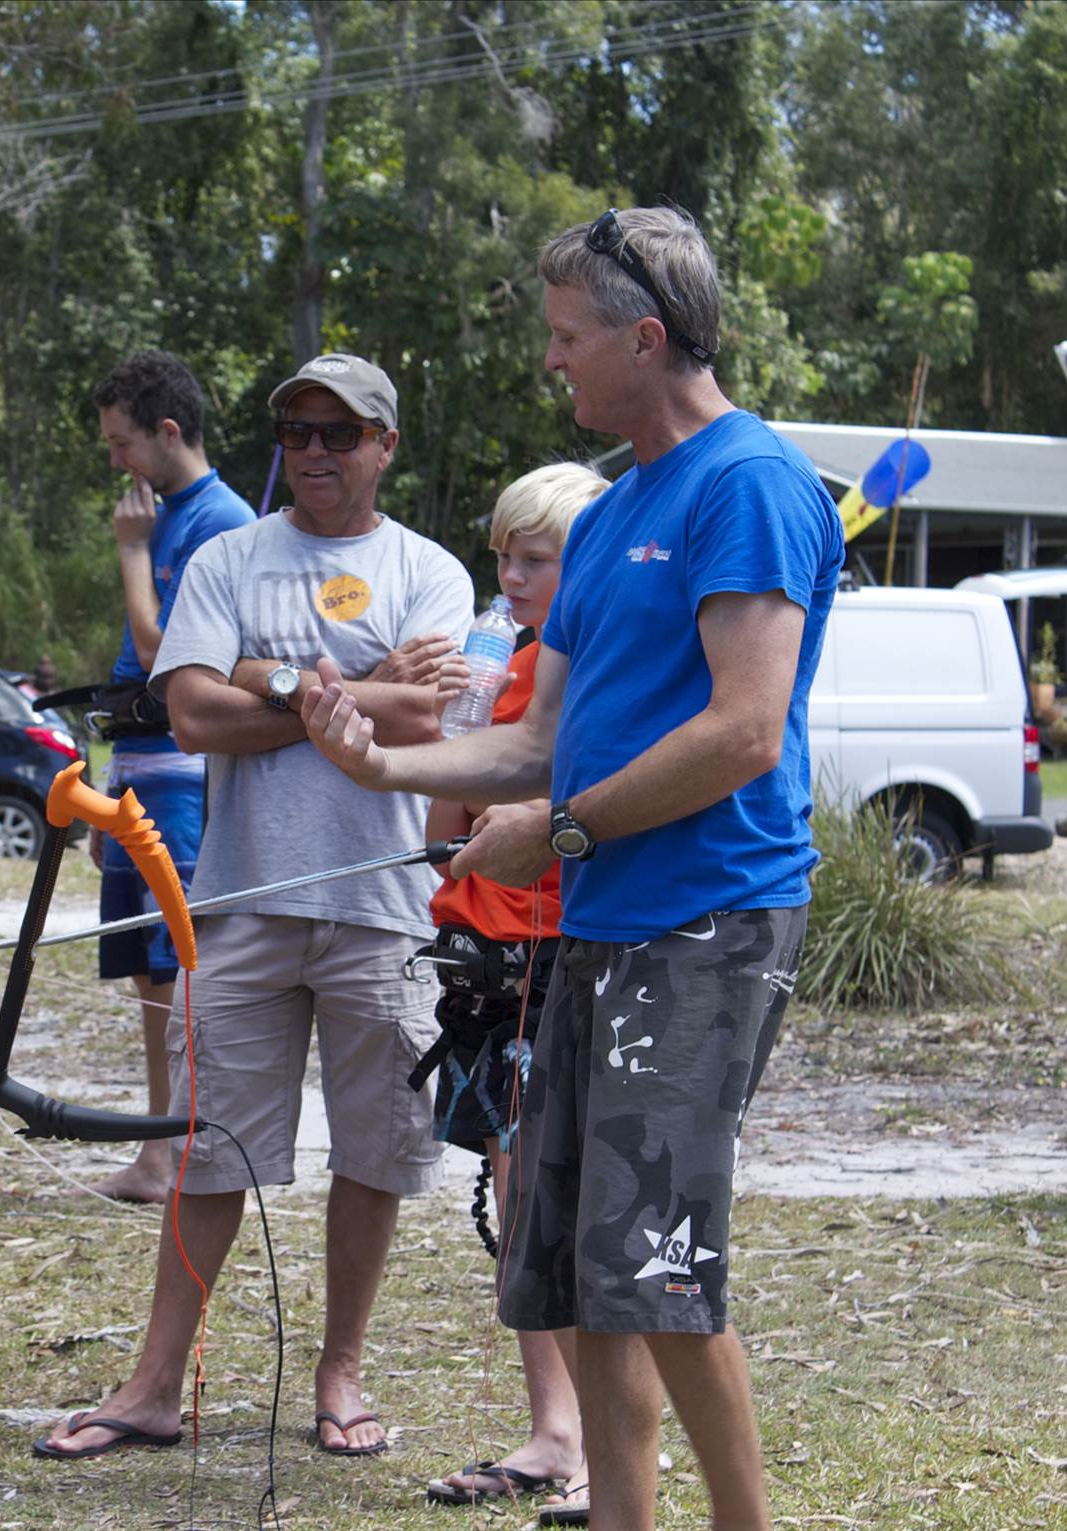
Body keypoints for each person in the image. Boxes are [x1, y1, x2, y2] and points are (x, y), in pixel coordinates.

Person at [302, 207, 843, 1530]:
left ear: (643, 337)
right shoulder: (605, 519)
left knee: (649, 1251)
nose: (552, 363)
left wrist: (562, 830)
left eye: (565, 337)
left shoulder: (748, 485)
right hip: (600, 918)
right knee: (568, 1256)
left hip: (709, 915)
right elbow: (535, 739)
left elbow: (739, 728)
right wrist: (383, 764)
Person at [39, 351, 474, 1462]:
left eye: (341, 433)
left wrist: (265, 674)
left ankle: (340, 1372)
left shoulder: (431, 571)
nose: (316, 452)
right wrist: (331, 688)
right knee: (208, 1148)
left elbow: (428, 721)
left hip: (383, 901)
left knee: (373, 1151)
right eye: (298, 433)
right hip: (239, 900)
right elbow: (190, 715)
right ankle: (151, 1384)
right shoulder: (231, 553)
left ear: (384, 445)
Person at [417, 464, 606, 1516]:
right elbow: (445, 835)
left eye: (538, 557)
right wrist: (452, 721)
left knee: (560, 1204)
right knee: (512, 1204)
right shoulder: (497, 668)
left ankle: (596, 1451)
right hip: (484, 975)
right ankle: (552, 1429)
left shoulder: (582, 672)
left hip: (559, 965)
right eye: (503, 555)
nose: (513, 573)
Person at [81, 349, 254, 1203]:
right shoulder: (168, 516)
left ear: (169, 432)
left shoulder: (214, 520)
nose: (116, 462)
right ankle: (161, 1147)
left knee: (179, 965)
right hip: (138, 773)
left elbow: (162, 653)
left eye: (122, 443)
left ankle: (181, 1148)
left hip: (183, 777)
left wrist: (130, 552)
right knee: (151, 972)